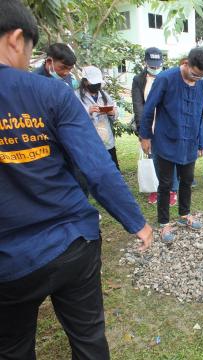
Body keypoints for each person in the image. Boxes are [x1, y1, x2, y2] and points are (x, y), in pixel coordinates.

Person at [0, 2, 153, 359]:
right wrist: (137, 223)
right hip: (72, 243)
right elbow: (97, 170)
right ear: (16, 39)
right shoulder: (52, 94)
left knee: (12, 348)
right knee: (88, 340)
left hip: (8, 262)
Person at [140, 47, 203, 242]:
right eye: (194, 74)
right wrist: (145, 136)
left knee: (187, 180)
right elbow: (149, 109)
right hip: (166, 141)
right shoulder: (165, 78)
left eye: (201, 77)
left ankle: (184, 215)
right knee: (166, 184)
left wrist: (201, 142)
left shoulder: (201, 85)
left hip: (189, 143)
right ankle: (163, 224)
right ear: (186, 64)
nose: (196, 79)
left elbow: (200, 115)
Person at [131, 47, 179, 206]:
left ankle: (172, 189)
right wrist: (142, 132)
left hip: (167, 125)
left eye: (158, 65)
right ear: (145, 62)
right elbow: (138, 106)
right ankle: (156, 188)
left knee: (170, 157)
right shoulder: (139, 80)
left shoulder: (170, 77)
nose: (156, 68)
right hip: (149, 125)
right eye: (152, 65)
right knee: (153, 158)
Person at [77, 65, 120, 169]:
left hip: (106, 140)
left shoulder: (104, 94)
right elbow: (75, 118)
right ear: (85, 81)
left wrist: (112, 113)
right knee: (94, 170)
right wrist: (89, 112)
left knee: (112, 169)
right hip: (88, 142)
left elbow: (115, 113)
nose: (96, 85)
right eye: (94, 82)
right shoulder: (76, 96)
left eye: (98, 83)